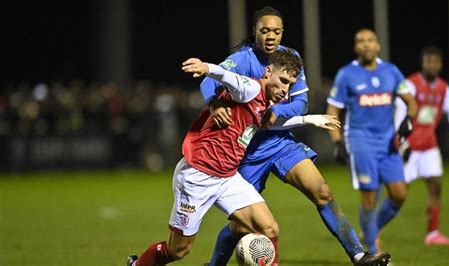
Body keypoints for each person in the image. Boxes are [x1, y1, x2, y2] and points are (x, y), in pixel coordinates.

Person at [201, 7, 391, 266]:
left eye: (276, 31)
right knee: (240, 227)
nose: (271, 36)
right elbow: (209, 79)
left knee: (322, 191)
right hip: (247, 150)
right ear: (254, 32)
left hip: (280, 144)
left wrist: (275, 111)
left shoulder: (289, 57)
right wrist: (214, 103)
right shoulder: (242, 60)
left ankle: (359, 256)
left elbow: (301, 103)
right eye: (265, 30)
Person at [127, 49, 321, 266]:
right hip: (197, 176)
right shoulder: (251, 88)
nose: (285, 89)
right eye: (283, 80)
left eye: (290, 84)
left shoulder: (266, 103)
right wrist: (206, 68)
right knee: (178, 250)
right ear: (267, 72)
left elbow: (272, 123)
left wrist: (311, 119)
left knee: (269, 228)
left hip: (227, 178)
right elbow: (229, 78)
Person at [326, 28, 418, 255]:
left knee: (399, 194)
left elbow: (411, 102)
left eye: (370, 40)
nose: (366, 45)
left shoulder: (391, 71)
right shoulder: (346, 74)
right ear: (356, 47)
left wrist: (409, 119)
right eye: (361, 41)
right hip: (360, 142)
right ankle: (374, 249)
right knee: (370, 197)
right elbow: (332, 111)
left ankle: (370, 230)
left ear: (377, 45)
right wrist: (337, 142)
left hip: (388, 143)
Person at [394, 46, 449, 246]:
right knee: (398, 193)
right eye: (428, 61)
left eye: (435, 61)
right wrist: (402, 142)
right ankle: (375, 232)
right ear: (423, 63)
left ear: (441, 65)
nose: (432, 65)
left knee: (436, 186)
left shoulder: (444, 88)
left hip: (430, 147)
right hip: (410, 146)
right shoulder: (411, 84)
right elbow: (400, 113)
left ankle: (433, 233)